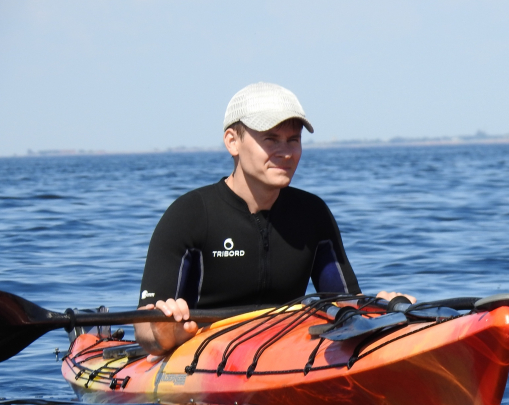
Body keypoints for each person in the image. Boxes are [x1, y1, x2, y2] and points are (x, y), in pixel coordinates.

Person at [134, 82, 412, 358]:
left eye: (294, 139)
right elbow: (144, 328)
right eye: (271, 139)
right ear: (232, 141)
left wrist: (382, 311)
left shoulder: (312, 213)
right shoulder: (189, 214)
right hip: (200, 357)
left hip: (282, 353)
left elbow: (345, 305)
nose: (286, 152)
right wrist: (166, 332)